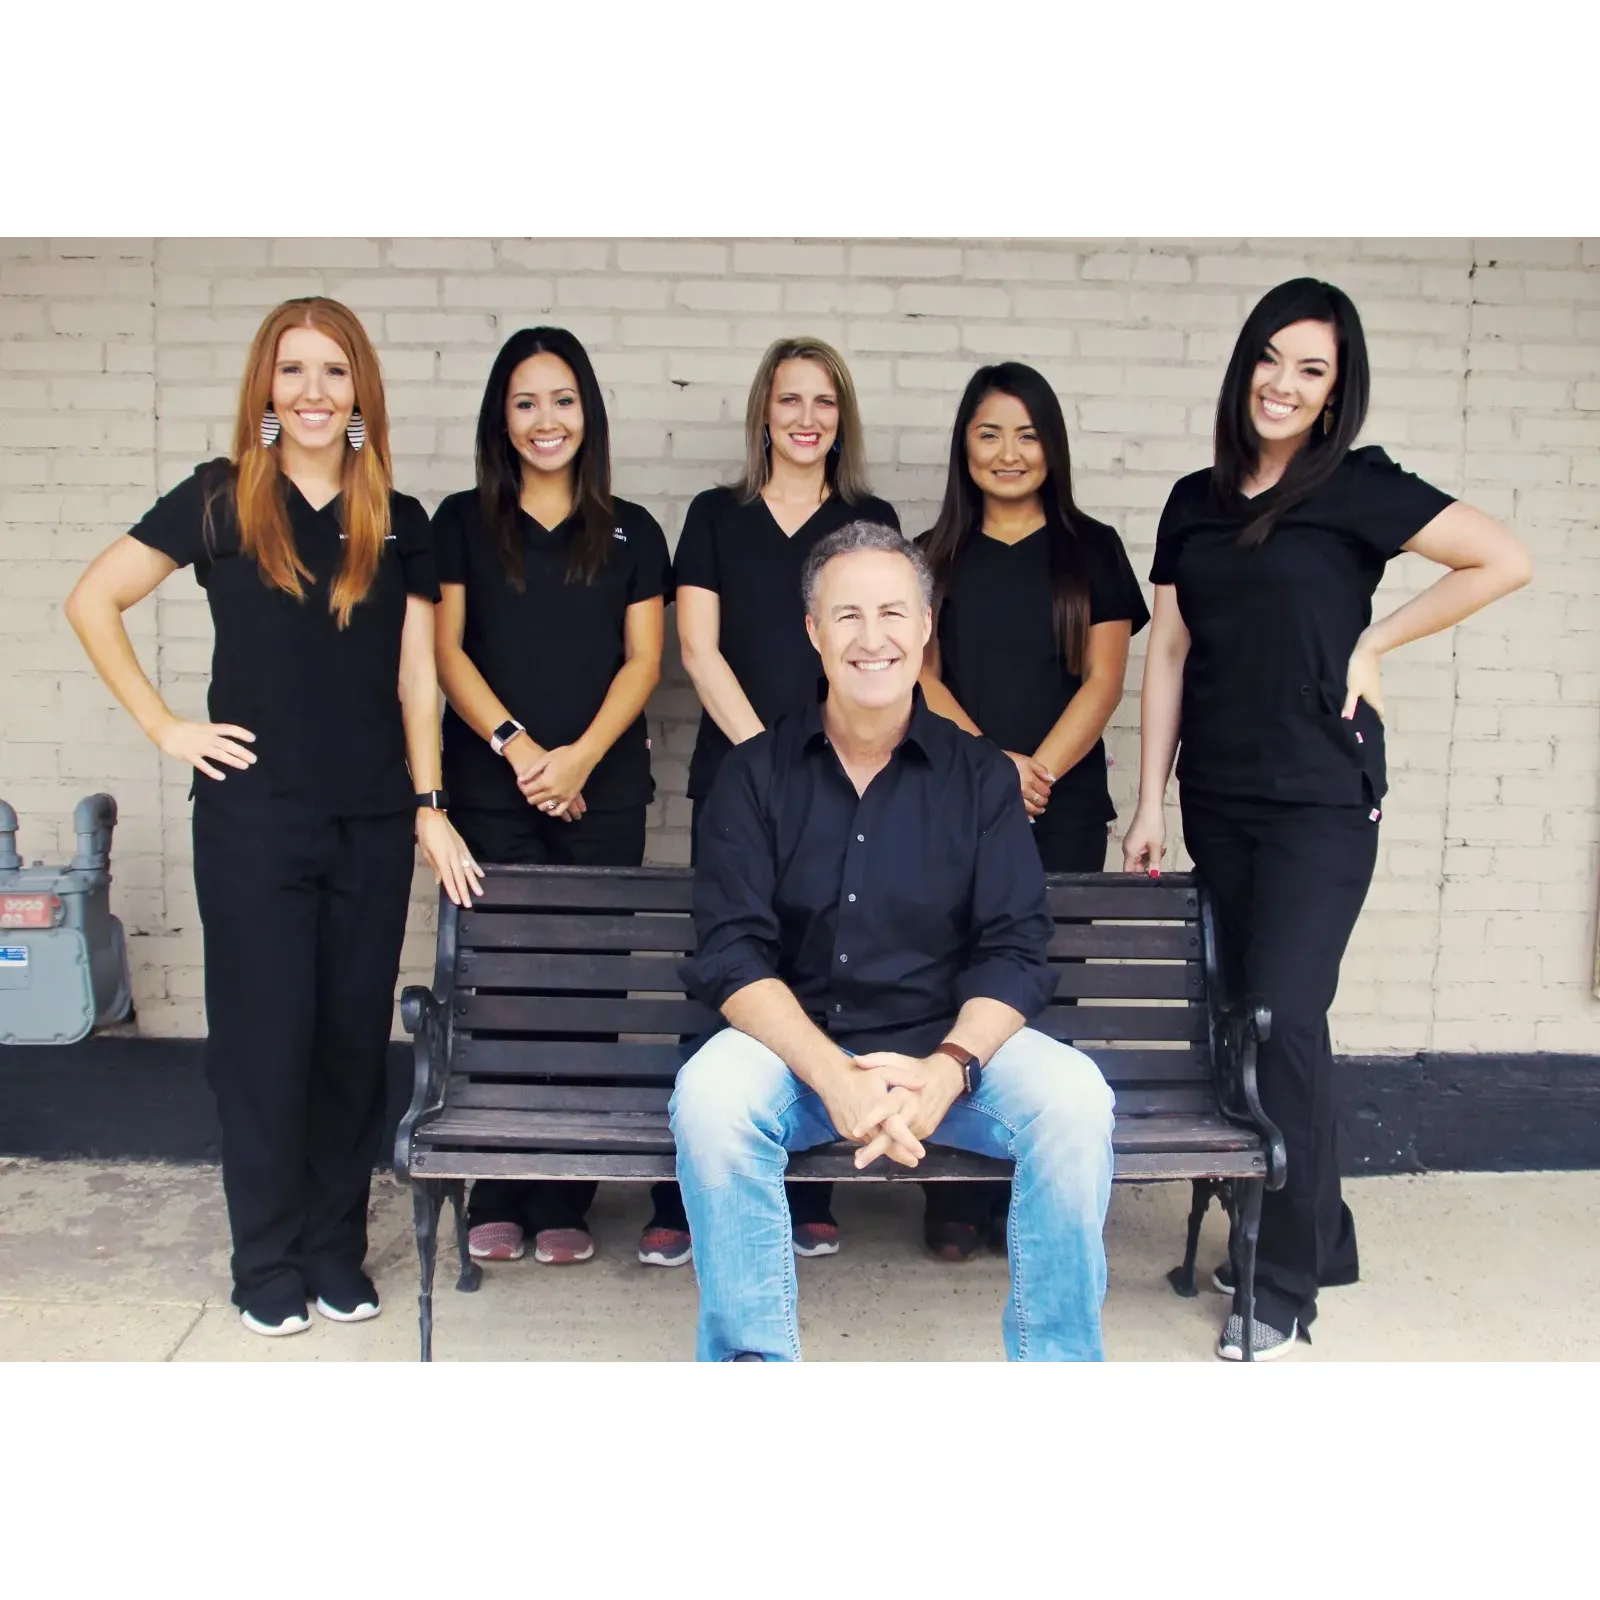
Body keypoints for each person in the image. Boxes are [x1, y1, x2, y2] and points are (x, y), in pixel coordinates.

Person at [1122, 278, 1532, 1361]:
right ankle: (1327, 1232)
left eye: (1312, 369)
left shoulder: (1358, 488)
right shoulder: (1193, 501)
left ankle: (1284, 1280)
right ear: (1243, 365)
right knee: (1252, 1017)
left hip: (1319, 796)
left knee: (1285, 1018)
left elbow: (1503, 558)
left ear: (1335, 391)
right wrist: (1149, 798)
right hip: (1219, 792)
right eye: (1271, 358)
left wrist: (1376, 641)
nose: (1284, 383)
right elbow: (1169, 652)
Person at [64, 297, 481, 1337]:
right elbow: (91, 600)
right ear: (265, 388)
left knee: (347, 1041)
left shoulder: (400, 518)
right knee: (263, 1045)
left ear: (359, 390)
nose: (312, 391)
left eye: (333, 371)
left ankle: (336, 1252)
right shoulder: (220, 499)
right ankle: (265, 1262)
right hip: (254, 822)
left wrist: (428, 804)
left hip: (371, 820)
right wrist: (167, 727)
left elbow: (418, 679)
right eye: (292, 370)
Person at [671, 521, 1116, 1361]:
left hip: (945, 1052)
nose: (871, 638)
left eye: (892, 613)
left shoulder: (981, 777)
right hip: (796, 1055)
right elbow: (731, 953)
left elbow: (1016, 949)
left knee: (1076, 1100)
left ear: (925, 627)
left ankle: (1057, 1374)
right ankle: (752, 1367)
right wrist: (832, 1074)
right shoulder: (754, 773)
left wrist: (949, 1069)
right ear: (813, 632)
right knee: (710, 1100)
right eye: (847, 616)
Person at [431, 326, 688, 1269]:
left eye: (564, 400)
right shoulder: (461, 521)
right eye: (526, 402)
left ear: (589, 413)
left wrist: (578, 760)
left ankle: (565, 1193)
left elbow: (645, 661)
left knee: (587, 991)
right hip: (492, 790)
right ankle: (497, 1185)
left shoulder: (633, 529)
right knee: (501, 991)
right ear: (501, 419)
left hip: (603, 791)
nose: (547, 420)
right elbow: (446, 652)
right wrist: (525, 753)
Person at [673, 336, 900, 1260]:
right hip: (737, 781)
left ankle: (810, 1190)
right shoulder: (715, 516)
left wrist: (820, 769)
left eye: (824, 402)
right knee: (729, 973)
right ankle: (682, 1190)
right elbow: (699, 651)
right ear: (764, 412)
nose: (807, 418)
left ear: (843, 419)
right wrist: (771, 764)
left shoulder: (869, 519)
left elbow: (880, 651)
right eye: (790, 399)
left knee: (829, 972)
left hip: (850, 788)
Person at [918, 361, 1148, 1261]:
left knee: (1044, 990)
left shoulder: (1093, 550)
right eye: (989, 434)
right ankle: (953, 1194)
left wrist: (1037, 771)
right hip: (949, 801)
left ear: (1051, 447)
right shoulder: (931, 555)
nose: (1008, 453)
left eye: (1027, 434)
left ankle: (1034, 1196)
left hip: (1064, 802)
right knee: (950, 982)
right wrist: (993, 769)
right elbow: (922, 678)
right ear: (964, 446)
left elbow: (1104, 680)